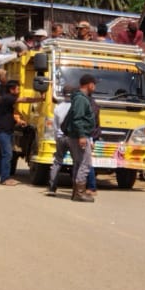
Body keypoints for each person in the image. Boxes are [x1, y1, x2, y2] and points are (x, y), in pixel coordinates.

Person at [64, 73, 99, 202]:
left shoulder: (80, 98)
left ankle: (77, 192)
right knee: (85, 163)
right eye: (94, 84)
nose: (94, 87)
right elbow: (78, 119)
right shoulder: (81, 99)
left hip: (78, 135)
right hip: (79, 136)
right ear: (89, 84)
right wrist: (82, 136)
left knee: (79, 163)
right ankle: (79, 192)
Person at [0, 79, 25, 185]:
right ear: (12, 89)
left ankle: (6, 177)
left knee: (8, 154)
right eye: (17, 88)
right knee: (7, 154)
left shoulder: (8, 99)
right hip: (2, 131)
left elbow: (11, 114)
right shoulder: (8, 98)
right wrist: (39, 98)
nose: (19, 90)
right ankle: (4, 178)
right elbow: (24, 99)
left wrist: (18, 121)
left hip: (8, 131)